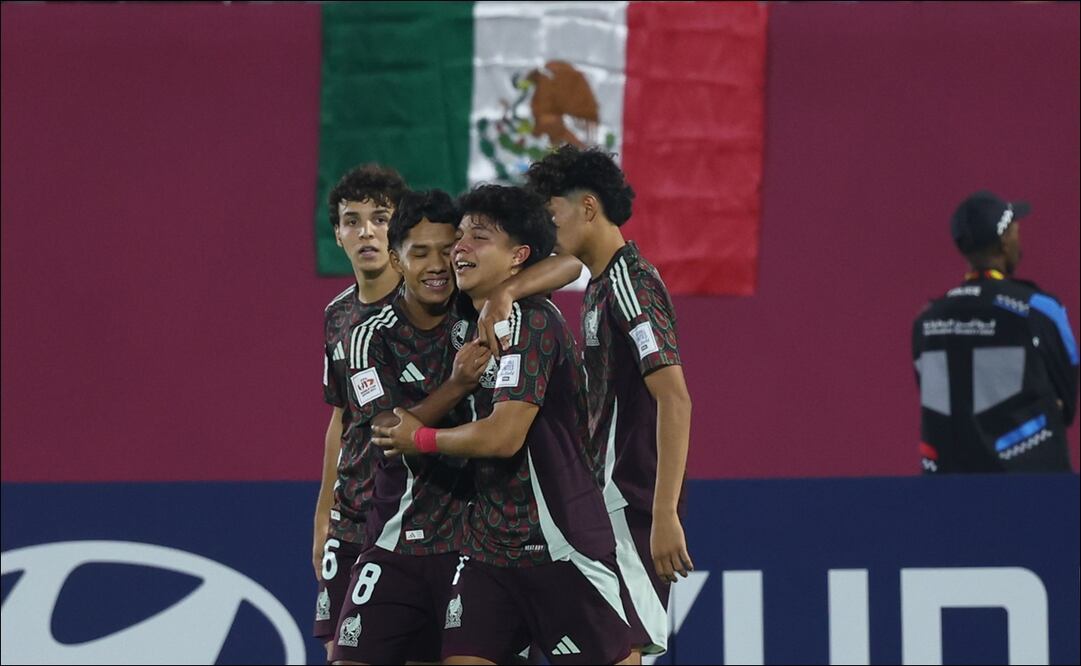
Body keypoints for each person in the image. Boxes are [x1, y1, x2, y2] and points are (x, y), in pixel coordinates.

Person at [372, 184, 633, 665]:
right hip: (489, 550)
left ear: (519, 257)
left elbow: (503, 435)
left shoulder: (532, 323)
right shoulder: (465, 318)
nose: (459, 248)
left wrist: (421, 438)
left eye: (479, 237)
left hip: (559, 543)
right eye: (461, 237)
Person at [523, 145, 694, 661]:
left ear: (589, 208)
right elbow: (562, 264)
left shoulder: (628, 284)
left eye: (553, 215)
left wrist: (663, 512)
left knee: (625, 648)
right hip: (606, 500)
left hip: (632, 501)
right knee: (607, 646)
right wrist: (506, 294)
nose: (548, 231)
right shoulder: (600, 281)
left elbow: (676, 398)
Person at [331, 189, 492, 664]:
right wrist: (459, 384)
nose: (437, 265)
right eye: (420, 252)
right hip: (396, 541)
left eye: (448, 250)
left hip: (477, 547)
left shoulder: (485, 314)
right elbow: (389, 434)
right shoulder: (365, 337)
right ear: (398, 260)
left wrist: (505, 291)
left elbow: (563, 266)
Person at [911, 190, 1078, 473]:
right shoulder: (1038, 309)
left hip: (948, 488)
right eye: (1015, 229)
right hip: (1033, 487)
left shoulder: (927, 320)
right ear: (1004, 241)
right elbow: (1067, 400)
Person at [312, 164, 407, 657]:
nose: (366, 231)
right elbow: (341, 420)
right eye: (353, 220)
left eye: (380, 218)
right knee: (341, 653)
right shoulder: (337, 316)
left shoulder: (431, 305)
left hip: (418, 517)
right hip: (352, 516)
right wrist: (323, 514)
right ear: (338, 233)